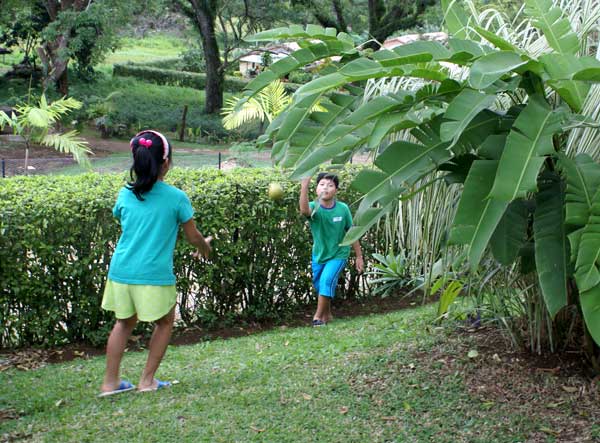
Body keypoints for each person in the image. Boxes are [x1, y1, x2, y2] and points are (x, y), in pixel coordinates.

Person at [99, 130, 212, 396]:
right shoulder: (176, 198)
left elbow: (126, 219)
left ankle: (109, 383)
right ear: (166, 163)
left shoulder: (124, 194)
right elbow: (192, 236)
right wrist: (204, 247)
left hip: (121, 271)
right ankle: (147, 380)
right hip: (153, 274)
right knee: (164, 322)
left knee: (123, 323)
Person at [299, 173, 364, 326]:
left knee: (326, 281)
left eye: (330, 185)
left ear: (336, 190)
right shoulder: (314, 207)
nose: (325, 188)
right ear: (316, 189)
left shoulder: (343, 209)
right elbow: (304, 211)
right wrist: (304, 187)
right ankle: (327, 315)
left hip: (338, 254)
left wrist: (359, 256)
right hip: (319, 255)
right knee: (320, 285)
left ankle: (317, 318)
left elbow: (351, 232)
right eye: (321, 184)